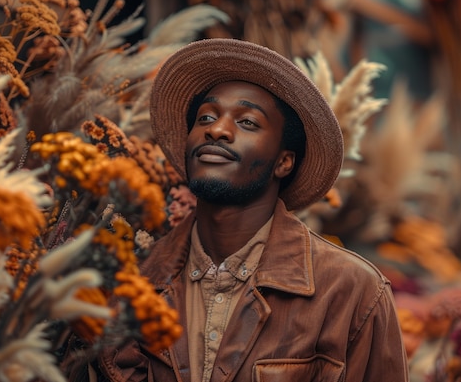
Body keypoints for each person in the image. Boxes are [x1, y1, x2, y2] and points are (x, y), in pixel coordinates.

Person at [97, 38, 409, 381]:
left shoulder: (351, 292)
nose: (216, 130)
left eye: (247, 122)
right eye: (206, 117)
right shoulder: (132, 280)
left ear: (284, 162)